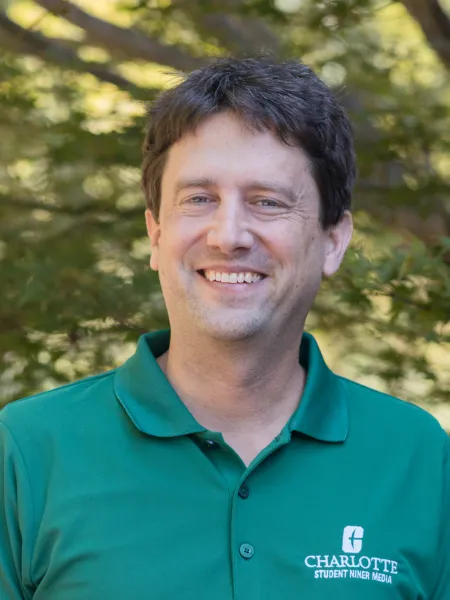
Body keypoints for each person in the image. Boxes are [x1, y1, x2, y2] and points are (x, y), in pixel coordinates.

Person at [0, 56, 448, 600]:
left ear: (333, 240)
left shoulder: (419, 457)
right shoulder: (24, 451)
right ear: (156, 234)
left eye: (267, 202)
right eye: (199, 199)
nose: (228, 234)